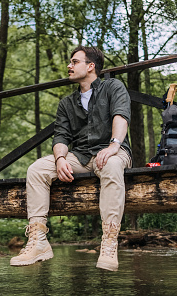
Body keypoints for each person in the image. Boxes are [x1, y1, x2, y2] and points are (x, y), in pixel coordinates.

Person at [10, 46, 132, 271]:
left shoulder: (113, 87)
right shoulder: (67, 103)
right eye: (70, 62)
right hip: (81, 156)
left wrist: (114, 145)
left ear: (91, 66)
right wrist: (60, 159)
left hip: (112, 151)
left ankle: (109, 242)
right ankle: (38, 242)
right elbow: (61, 136)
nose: (69, 65)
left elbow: (121, 116)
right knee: (36, 169)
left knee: (112, 165)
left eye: (75, 62)